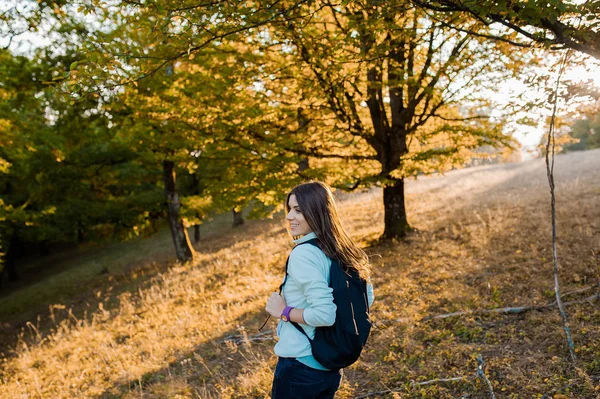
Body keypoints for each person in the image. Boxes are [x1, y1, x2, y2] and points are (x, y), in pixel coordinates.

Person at [265, 181, 374, 399]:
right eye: (289, 209)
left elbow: (324, 315)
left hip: (300, 367)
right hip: (328, 368)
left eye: (298, 210)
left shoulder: (303, 254)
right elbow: (366, 296)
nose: (289, 217)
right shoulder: (339, 249)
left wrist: (284, 312)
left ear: (316, 211)